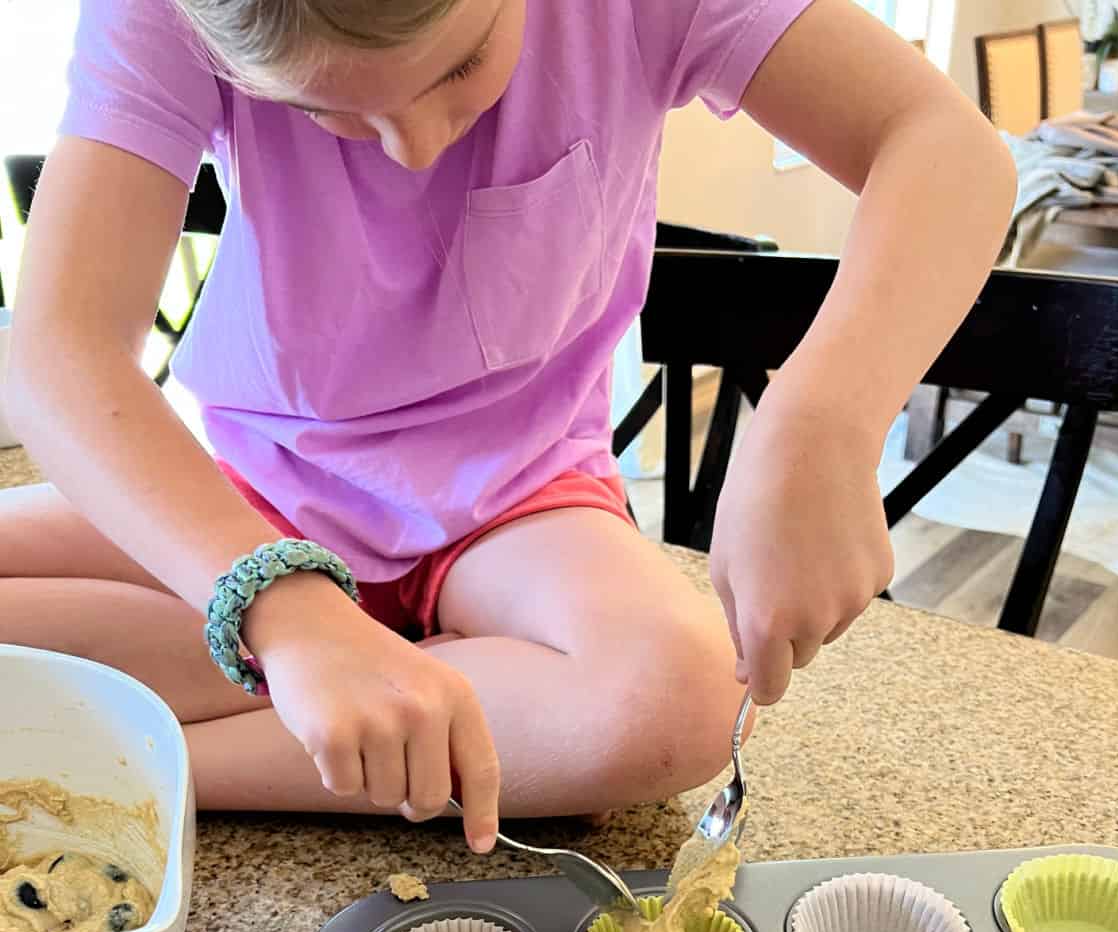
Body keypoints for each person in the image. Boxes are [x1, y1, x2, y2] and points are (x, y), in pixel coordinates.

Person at [1, 0, 1014, 855]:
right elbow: (60, 349)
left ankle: (154, 766)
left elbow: (944, 145)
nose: (417, 144)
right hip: (257, 490)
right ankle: (382, 683)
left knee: (674, 700)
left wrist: (823, 418)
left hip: (517, 502)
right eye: (326, 111)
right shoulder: (162, 10)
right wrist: (288, 610)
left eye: (463, 65)